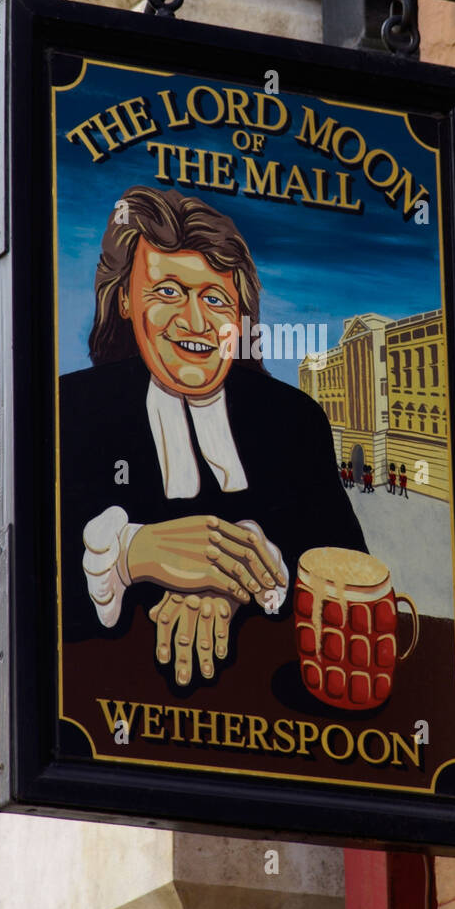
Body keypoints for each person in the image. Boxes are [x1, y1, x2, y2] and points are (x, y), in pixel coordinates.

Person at [58, 186, 366, 687]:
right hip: (111, 705)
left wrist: (236, 578)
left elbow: (348, 573)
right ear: (122, 300)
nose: (196, 321)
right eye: (168, 292)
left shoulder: (295, 422)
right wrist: (132, 554)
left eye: (215, 298)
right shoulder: (68, 411)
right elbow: (27, 587)